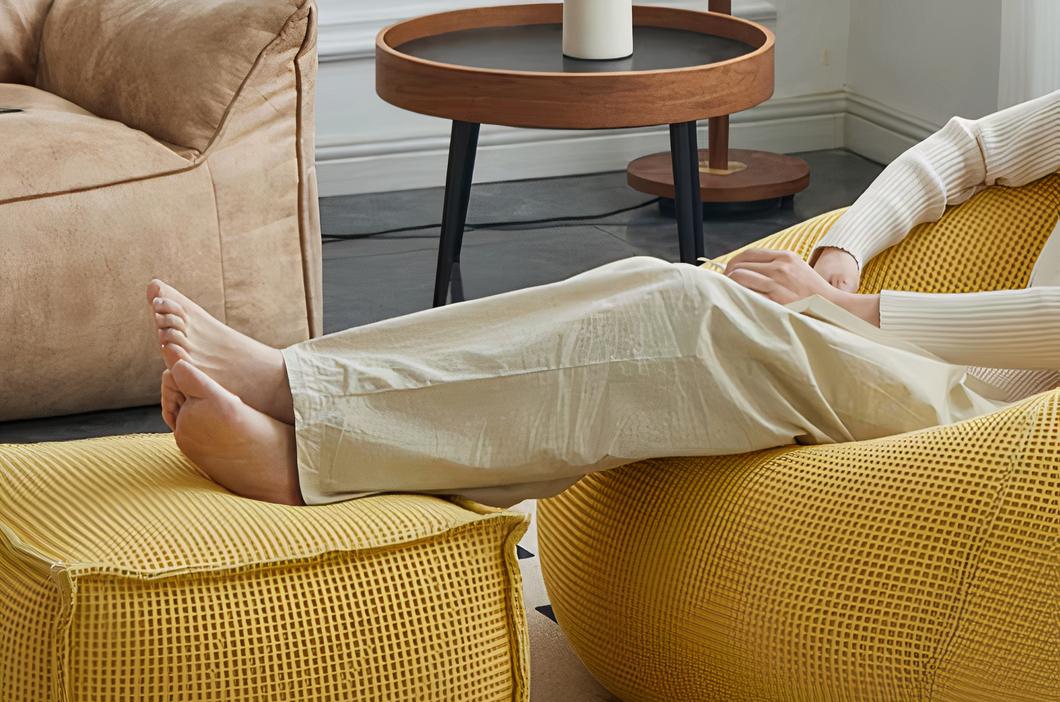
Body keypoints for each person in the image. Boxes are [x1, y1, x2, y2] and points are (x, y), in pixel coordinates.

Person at [150, 89, 1060, 509]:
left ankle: (314, 431)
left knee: (692, 318)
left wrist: (855, 317)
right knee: (651, 285)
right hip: (925, 364)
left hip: (996, 421)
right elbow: (969, 150)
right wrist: (841, 252)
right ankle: (310, 405)